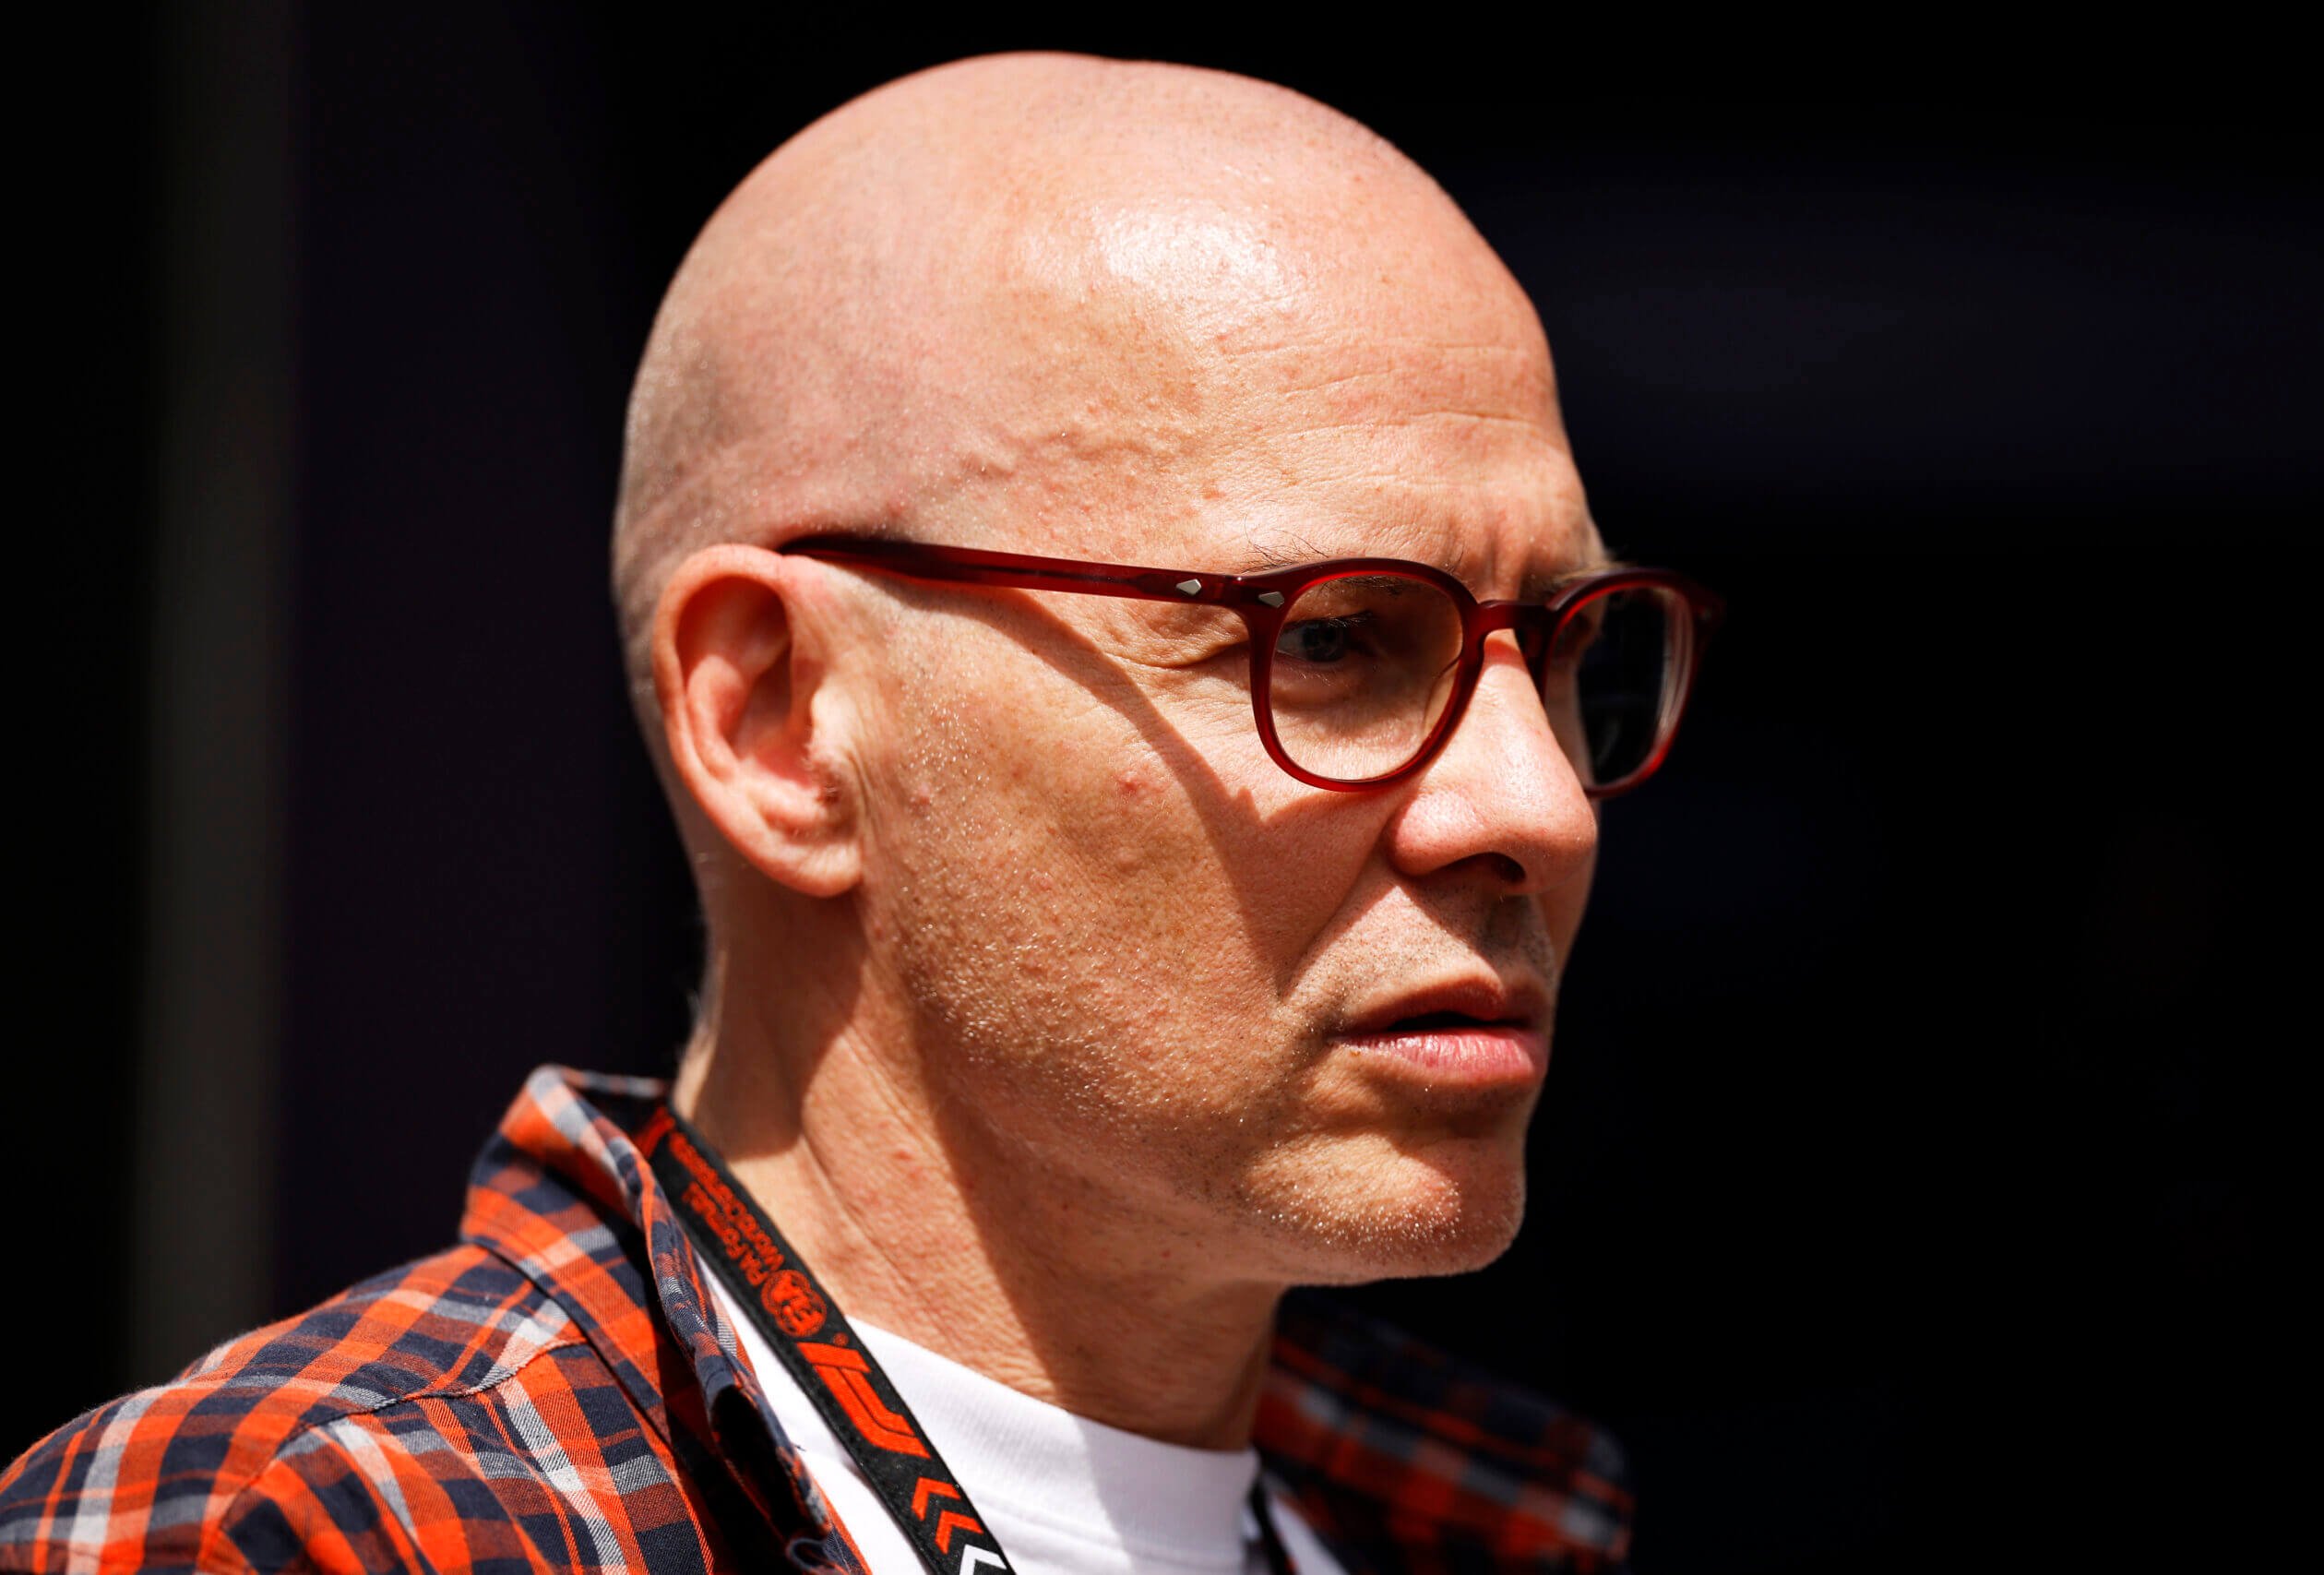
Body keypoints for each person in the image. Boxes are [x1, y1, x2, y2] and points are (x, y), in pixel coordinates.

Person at [3, 54, 1717, 1575]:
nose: (1538, 803)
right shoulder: (341, 1530)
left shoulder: (1492, 1520)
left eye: (1570, 649)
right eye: (1334, 639)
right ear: (778, 726)